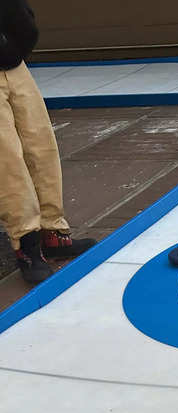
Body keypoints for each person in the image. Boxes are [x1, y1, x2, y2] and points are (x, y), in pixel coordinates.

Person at [0, 0, 95, 283]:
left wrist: (19, 40)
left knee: (41, 146)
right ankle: (26, 244)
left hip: (13, 62)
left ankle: (52, 233)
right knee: (7, 160)